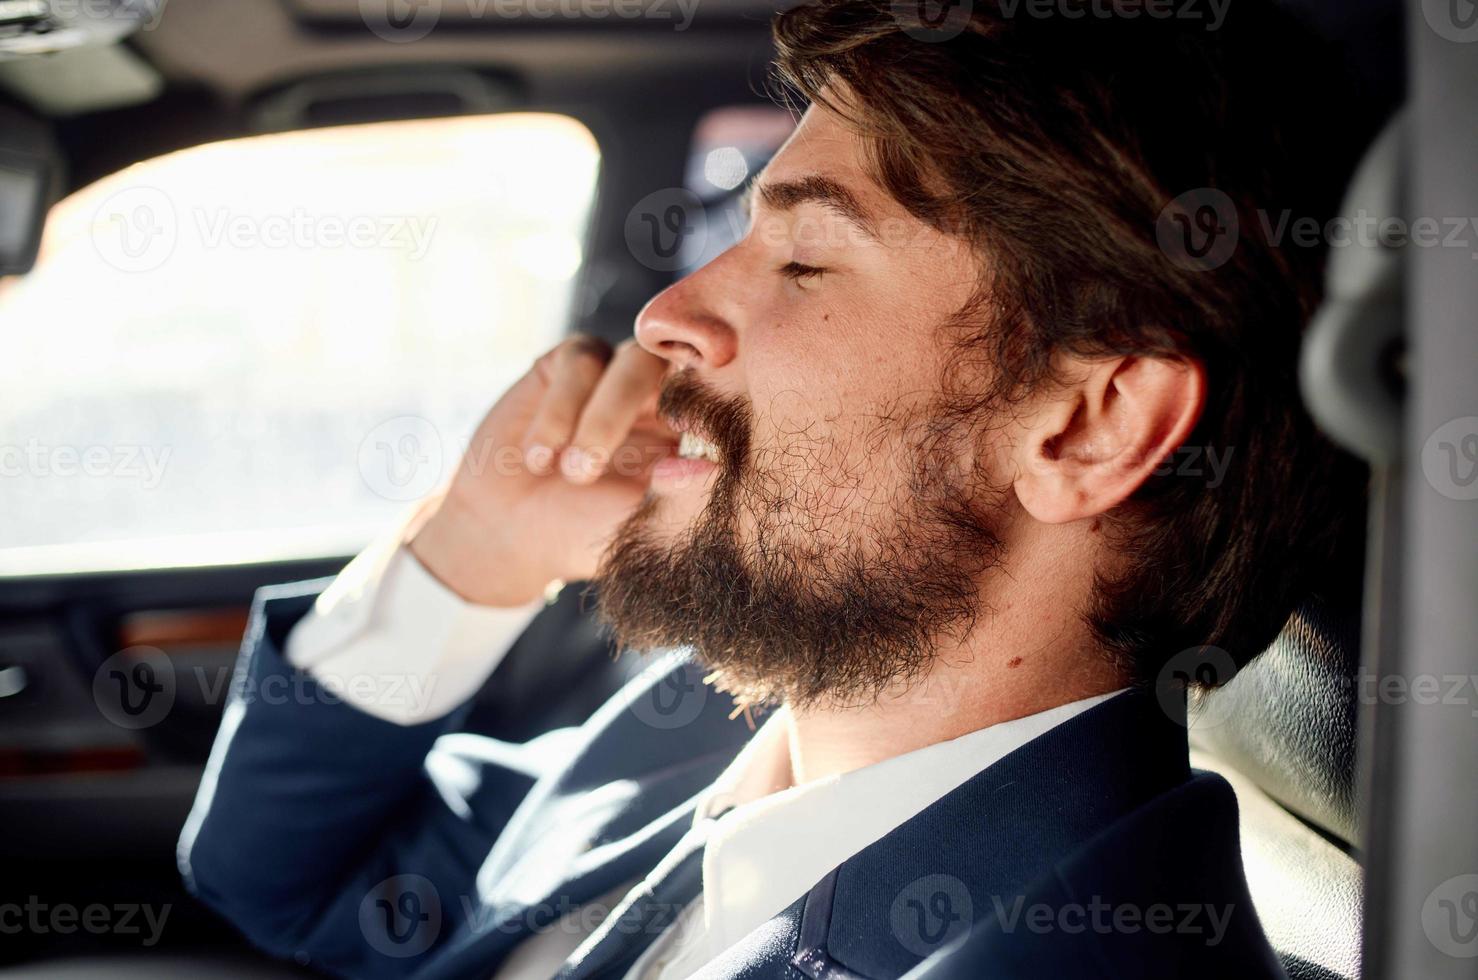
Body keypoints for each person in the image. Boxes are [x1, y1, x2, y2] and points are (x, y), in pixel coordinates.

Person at [178, 1, 1370, 977]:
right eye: (739, 234)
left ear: (1085, 427)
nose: (664, 317)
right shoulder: (714, 727)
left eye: (803, 260)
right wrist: (470, 553)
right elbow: (288, 879)